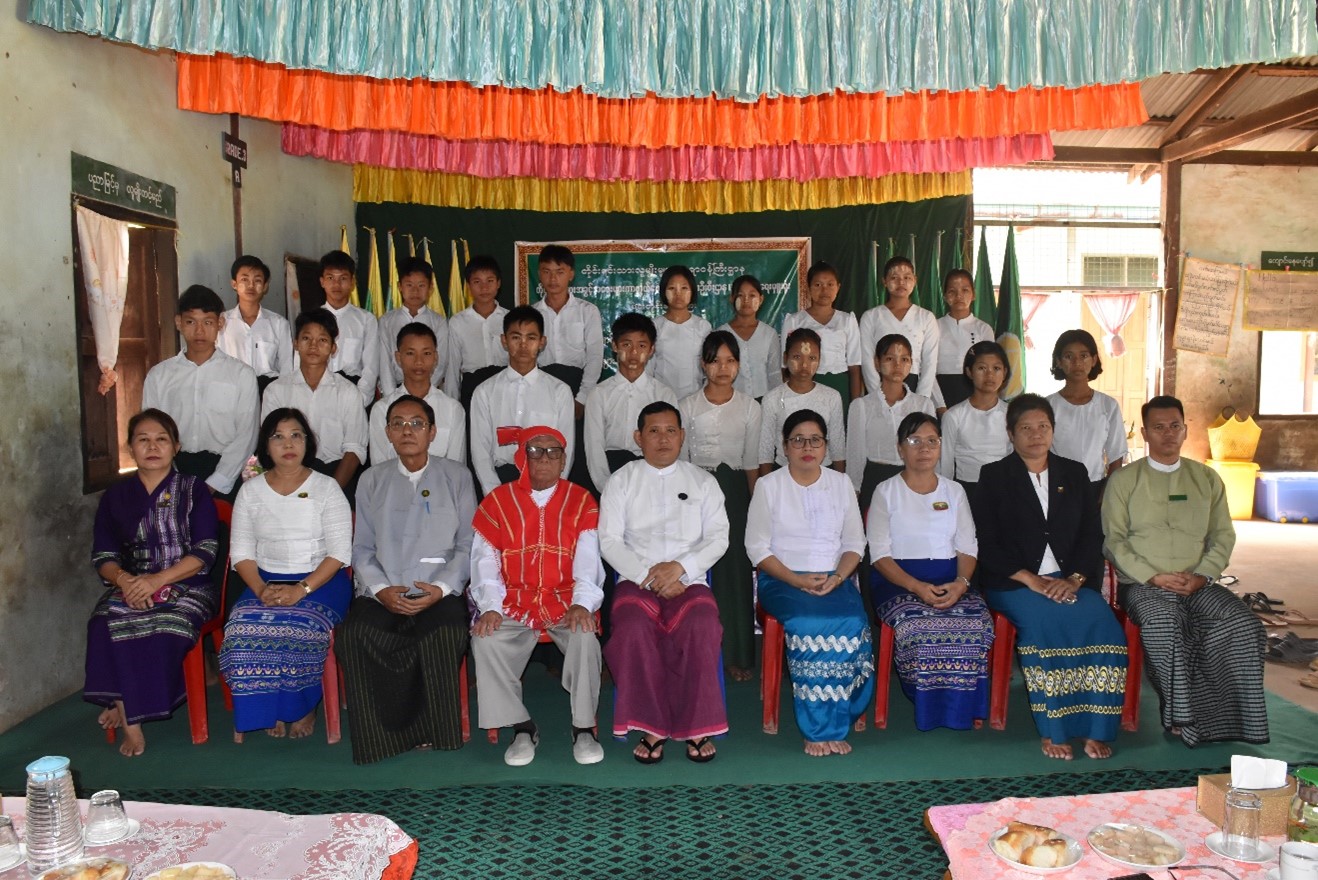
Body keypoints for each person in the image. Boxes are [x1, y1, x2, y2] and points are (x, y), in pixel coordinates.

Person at [1102, 395, 1266, 747]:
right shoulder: (1124, 481)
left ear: (1185, 429)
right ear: (1145, 433)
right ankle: (1182, 716)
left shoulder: (1206, 478)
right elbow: (1113, 542)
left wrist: (1204, 575)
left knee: (1242, 624)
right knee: (1165, 623)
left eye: (1174, 426)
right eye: (1158, 428)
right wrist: (1153, 576)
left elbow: (1223, 534)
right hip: (1145, 585)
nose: (1168, 434)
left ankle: (1232, 717)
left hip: (1199, 582)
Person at [972, 394, 1128, 761]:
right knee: (1044, 625)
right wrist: (1031, 579)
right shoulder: (993, 476)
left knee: (1102, 622)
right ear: (1010, 434)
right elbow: (986, 542)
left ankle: (1096, 729)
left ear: (1053, 430)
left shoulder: (1074, 473)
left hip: (1069, 579)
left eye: (1043, 426)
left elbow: (1092, 536)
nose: (1036, 434)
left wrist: (1073, 578)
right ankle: (1053, 730)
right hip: (1014, 583)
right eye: (1025, 428)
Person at [336, 395, 475, 764]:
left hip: (438, 590)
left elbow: (468, 544)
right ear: (387, 433)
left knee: (443, 633)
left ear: (432, 432)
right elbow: (362, 546)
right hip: (386, 589)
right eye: (398, 423)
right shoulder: (371, 479)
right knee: (354, 635)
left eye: (416, 423)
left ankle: (434, 729)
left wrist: (443, 588)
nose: (407, 431)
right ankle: (380, 737)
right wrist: (381, 590)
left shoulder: (457, 476)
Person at [85, 409, 220, 757]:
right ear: (131, 448)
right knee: (104, 621)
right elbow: (103, 556)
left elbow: (205, 552)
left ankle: (125, 703)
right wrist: (127, 580)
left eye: (161, 439)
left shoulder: (194, 491)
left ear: (176, 446)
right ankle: (130, 716)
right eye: (142, 439)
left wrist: (156, 581)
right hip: (131, 583)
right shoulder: (116, 496)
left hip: (189, 584)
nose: (152, 446)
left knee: (165, 627)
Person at [601, 402, 730, 764]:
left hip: (689, 580)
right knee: (630, 626)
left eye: (671, 430)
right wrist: (650, 575)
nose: (663, 439)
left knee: (702, 624)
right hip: (636, 579)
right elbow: (609, 541)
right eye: (653, 431)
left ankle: (698, 725)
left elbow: (719, 538)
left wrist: (682, 569)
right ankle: (651, 725)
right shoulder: (621, 480)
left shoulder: (703, 481)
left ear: (683, 437)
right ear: (638, 437)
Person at [470, 425, 606, 766]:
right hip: (512, 601)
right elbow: (484, 562)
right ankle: (521, 726)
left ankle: (583, 728)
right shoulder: (497, 501)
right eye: (535, 451)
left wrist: (581, 603)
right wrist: (489, 606)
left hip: (566, 600)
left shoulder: (582, 500)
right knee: (485, 639)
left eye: (553, 452)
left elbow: (590, 561)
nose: (544, 458)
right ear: (522, 458)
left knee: (585, 635)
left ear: (564, 460)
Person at [219, 408, 353, 742]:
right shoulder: (250, 491)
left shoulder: (327, 488)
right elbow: (242, 553)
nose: (287, 443)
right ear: (266, 445)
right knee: (241, 629)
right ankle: (268, 709)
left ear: (308, 442)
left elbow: (339, 554)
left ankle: (303, 707)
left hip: (322, 581)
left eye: (296, 435)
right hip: (263, 579)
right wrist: (262, 589)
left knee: (298, 627)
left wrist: (301, 590)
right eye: (277, 436)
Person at [747, 409, 873, 756]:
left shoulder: (840, 483)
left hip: (835, 579)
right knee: (809, 624)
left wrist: (837, 577)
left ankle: (840, 713)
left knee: (854, 621)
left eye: (815, 439)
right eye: (798, 439)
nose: (807, 446)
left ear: (826, 446)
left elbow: (854, 544)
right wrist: (796, 579)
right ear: (784, 447)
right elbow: (756, 548)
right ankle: (817, 728)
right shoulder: (768, 485)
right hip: (782, 580)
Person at [867, 412, 993, 730]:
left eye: (932, 441)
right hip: (897, 582)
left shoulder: (955, 492)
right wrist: (917, 587)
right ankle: (932, 710)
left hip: (951, 581)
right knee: (919, 629)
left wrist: (962, 584)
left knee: (976, 625)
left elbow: (967, 545)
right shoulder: (885, 491)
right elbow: (879, 555)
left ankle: (963, 708)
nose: (924, 448)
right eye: (915, 441)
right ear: (900, 449)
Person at [679, 330, 763, 682]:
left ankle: (736, 654)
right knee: (693, 572)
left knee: (733, 575)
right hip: (693, 493)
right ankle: (695, 653)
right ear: (703, 364)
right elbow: (680, 465)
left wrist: (757, 512)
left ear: (739, 365)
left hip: (735, 494)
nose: (723, 368)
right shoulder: (686, 406)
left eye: (730, 360)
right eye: (715, 360)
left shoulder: (750, 407)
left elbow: (751, 464)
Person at [142, 284, 259, 500]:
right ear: (179, 323)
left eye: (207, 322)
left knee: (224, 533)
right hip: (174, 471)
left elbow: (247, 436)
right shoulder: (159, 376)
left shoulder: (242, 375)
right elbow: (151, 432)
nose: (199, 331)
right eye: (190, 322)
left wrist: (215, 483)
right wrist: (170, 478)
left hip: (228, 476)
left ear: (220, 323)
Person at [262, 309, 369, 501]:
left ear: (333, 348)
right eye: (306, 338)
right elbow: (271, 443)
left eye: (322, 340)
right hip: (288, 475)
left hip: (336, 476)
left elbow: (355, 449)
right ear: (295, 344)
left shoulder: (348, 392)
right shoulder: (276, 390)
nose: (313, 346)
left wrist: (329, 492)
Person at [469, 306, 576, 496]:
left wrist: (551, 495)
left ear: (542, 342)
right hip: (500, 480)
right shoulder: (485, 391)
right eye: (516, 337)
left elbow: (565, 449)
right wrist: (495, 496)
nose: (523, 345)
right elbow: (480, 451)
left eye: (531, 338)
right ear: (504, 340)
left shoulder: (559, 391)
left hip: (545, 482)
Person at [585, 312, 678, 495]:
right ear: (614, 346)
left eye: (641, 345)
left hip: (653, 475)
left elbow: (671, 445)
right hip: (611, 474)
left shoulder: (663, 394)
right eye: (626, 344)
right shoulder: (599, 394)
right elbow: (594, 449)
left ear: (651, 350)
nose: (634, 352)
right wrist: (607, 489)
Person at [846, 333, 936, 515]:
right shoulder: (862, 405)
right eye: (889, 359)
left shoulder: (923, 405)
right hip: (875, 479)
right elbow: (855, 454)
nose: (897, 365)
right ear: (877, 363)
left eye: (904, 359)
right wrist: (854, 492)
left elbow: (932, 450)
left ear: (911, 364)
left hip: (914, 478)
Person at [369, 322, 466, 466]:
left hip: (441, 486)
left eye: (426, 353)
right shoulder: (381, 409)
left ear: (435, 358)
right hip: (394, 487)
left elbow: (457, 468)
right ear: (398, 357)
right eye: (410, 353)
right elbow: (379, 468)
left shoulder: (453, 409)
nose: (419, 361)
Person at [758, 328, 845, 476]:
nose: (804, 365)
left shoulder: (832, 397)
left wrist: (841, 481)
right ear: (785, 358)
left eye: (812, 358)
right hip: (785, 473)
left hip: (823, 472)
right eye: (797, 357)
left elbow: (837, 446)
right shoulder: (772, 398)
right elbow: (765, 449)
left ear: (819, 359)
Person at [780, 261, 863, 414]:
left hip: (840, 385)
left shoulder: (847, 320)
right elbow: (784, 367)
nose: (824, 290)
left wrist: (855, 405)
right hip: (805, 384)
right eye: (818, 285)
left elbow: (855, 367)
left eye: (830, 284)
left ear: (838, 287)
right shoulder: (794, 321)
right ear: (808, 288)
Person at [1046, 329, 1128, 485]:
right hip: (1057, 487)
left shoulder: (1108, 405)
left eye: (1083, 356)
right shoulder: (1048, 406)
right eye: (1069, 356)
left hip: (1095, 486)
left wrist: (1106, 492)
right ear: (1058, 361)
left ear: (1094, 360)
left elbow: (1116, 456)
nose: (1077, 363)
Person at [938, 340, 1013, 503]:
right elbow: (946, 464)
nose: (989, 375)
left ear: (1005, 372)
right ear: (969, 372)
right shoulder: (954, 415)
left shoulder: (1012, 414)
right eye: (981, 368)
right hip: (966, 491)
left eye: (996, 368)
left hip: (1005, 489)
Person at [859, 256, 940, 400]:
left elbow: (929, 362)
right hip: (879, 386)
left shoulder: (926, 317)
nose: (901, 282)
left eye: (907, 277)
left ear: (915, 280)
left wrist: (920, 399)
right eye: (894, 277)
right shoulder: (871, 317)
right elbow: (867, 360)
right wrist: (877, 396)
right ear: (884, 281)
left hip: (915, 386)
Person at [216, 254, 293, 395]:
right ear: (234, 284)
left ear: (265, 286)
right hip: (231, 392)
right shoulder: (220, 323)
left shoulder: (279, 324)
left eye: (257, 280)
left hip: (268, 392)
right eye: (244, 279)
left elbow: (287, 369)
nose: (251, 285)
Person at [444, 255, 509, 411]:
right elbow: (452, 368)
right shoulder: (457, 322)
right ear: (468, 286)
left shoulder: (510, 319)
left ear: (498, 283)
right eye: (477, 282)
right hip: (472, 388)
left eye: (490, 281)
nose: (484, 288)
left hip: (505, 388)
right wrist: (451, 405)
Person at [377, 257, 448, 396]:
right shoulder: (386, 321)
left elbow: (441, 363)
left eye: (421, 285)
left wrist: (424, 392)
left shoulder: (439, 322)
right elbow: (384, 363)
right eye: (409, 285)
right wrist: (392, 396)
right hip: (395, 390)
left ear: (430, 288)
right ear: (399, 287)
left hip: (429, 392)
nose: (415, 291)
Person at [317, 249, 380, 407]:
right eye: (330, 278)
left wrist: (359, 401)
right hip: (318, 394)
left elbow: (371, 367)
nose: (336, 284)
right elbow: (301, 364)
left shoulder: (366, 320)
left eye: (343, 278)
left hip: (356, 394)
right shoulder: (311, 320)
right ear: (322, 281)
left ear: (352, 282)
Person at [932, 269, 994, 412]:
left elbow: (987, 368)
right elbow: (929, 369)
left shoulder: (983, 329)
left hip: (974, 394)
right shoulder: (935, 326)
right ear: (945, 296)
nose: (959, 296)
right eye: (952, 291)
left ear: (973, 295)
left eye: (965, 290)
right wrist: (940, 406)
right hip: (939, 393)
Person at [649, 265, 713, 400]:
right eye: (672, 288)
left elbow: (709, 367)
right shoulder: (654, 326)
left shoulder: (703, 327)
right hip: (661, 399)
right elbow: (649, 368)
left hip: (696, 400)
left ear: (692, 291)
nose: (678, 294)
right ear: (663, 291)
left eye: (684, 288)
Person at [716, 274, 781, 400]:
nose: (746, 300)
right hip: (732, 402)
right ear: (732, 299)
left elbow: (775, 374)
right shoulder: (721, 334)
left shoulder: (769, 333)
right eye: (740, 295)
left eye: (752, 295)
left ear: (761, 299)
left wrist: (776, 403)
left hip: (764, 400)